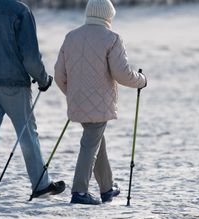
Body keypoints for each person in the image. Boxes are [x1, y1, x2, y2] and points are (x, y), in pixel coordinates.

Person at [0, 0, 65, 198]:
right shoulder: (21, 11)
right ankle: (41, 184)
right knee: (27, 133)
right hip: (14, 83)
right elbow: (30, 56)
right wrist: (43, 79)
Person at [54, 0, 147, 205]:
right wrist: (141, 80)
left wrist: (73, 95)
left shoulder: (71, 36)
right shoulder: (112, 38)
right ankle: (79, 192)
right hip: (100, 102)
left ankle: (107, 188)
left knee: (95, 140)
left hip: (77, 101)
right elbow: (122, 74)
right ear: (108, 16)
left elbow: (59, 75)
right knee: (90, 143)